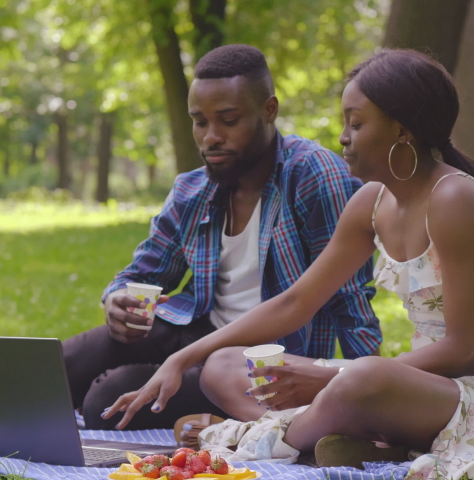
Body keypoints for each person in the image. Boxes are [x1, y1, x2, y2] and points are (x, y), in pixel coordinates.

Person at [104, 49, 474, 478]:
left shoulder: (453, 199)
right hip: (423, 388)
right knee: (223, 364)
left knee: (365, 378)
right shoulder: (371, 203)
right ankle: (354, 436)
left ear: (402, 130)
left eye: (356, 124)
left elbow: (464, 353)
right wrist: (183, 358)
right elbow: (295, 302)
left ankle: (258, 436)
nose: (343, 137)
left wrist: (327, 375)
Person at [64, 44, 382, 430]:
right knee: (68, 363)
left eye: (228, 120)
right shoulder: (193, 190)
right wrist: (118, 298)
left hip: (264, 358)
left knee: (105, 401)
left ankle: (218, 414)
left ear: (269, 110)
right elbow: (144, 272)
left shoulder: (314, 177)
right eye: (200, 122)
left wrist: (372, 396)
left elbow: (349, 298)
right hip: (198, 332)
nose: (211, 137)